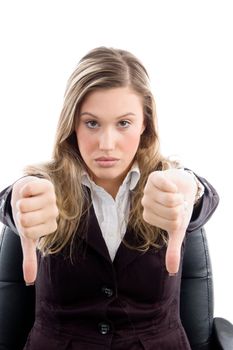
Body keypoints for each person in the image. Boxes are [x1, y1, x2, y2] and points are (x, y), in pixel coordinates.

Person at [0, 47, 219, 350]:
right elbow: (14, 201)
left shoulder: (168, 189)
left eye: (123, 123)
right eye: (92, 123)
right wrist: (15, 200)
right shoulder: (44, 190)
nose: (106, 144)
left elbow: (201, 199)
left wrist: (193, 188)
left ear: (145, 123)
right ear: (72, 124)